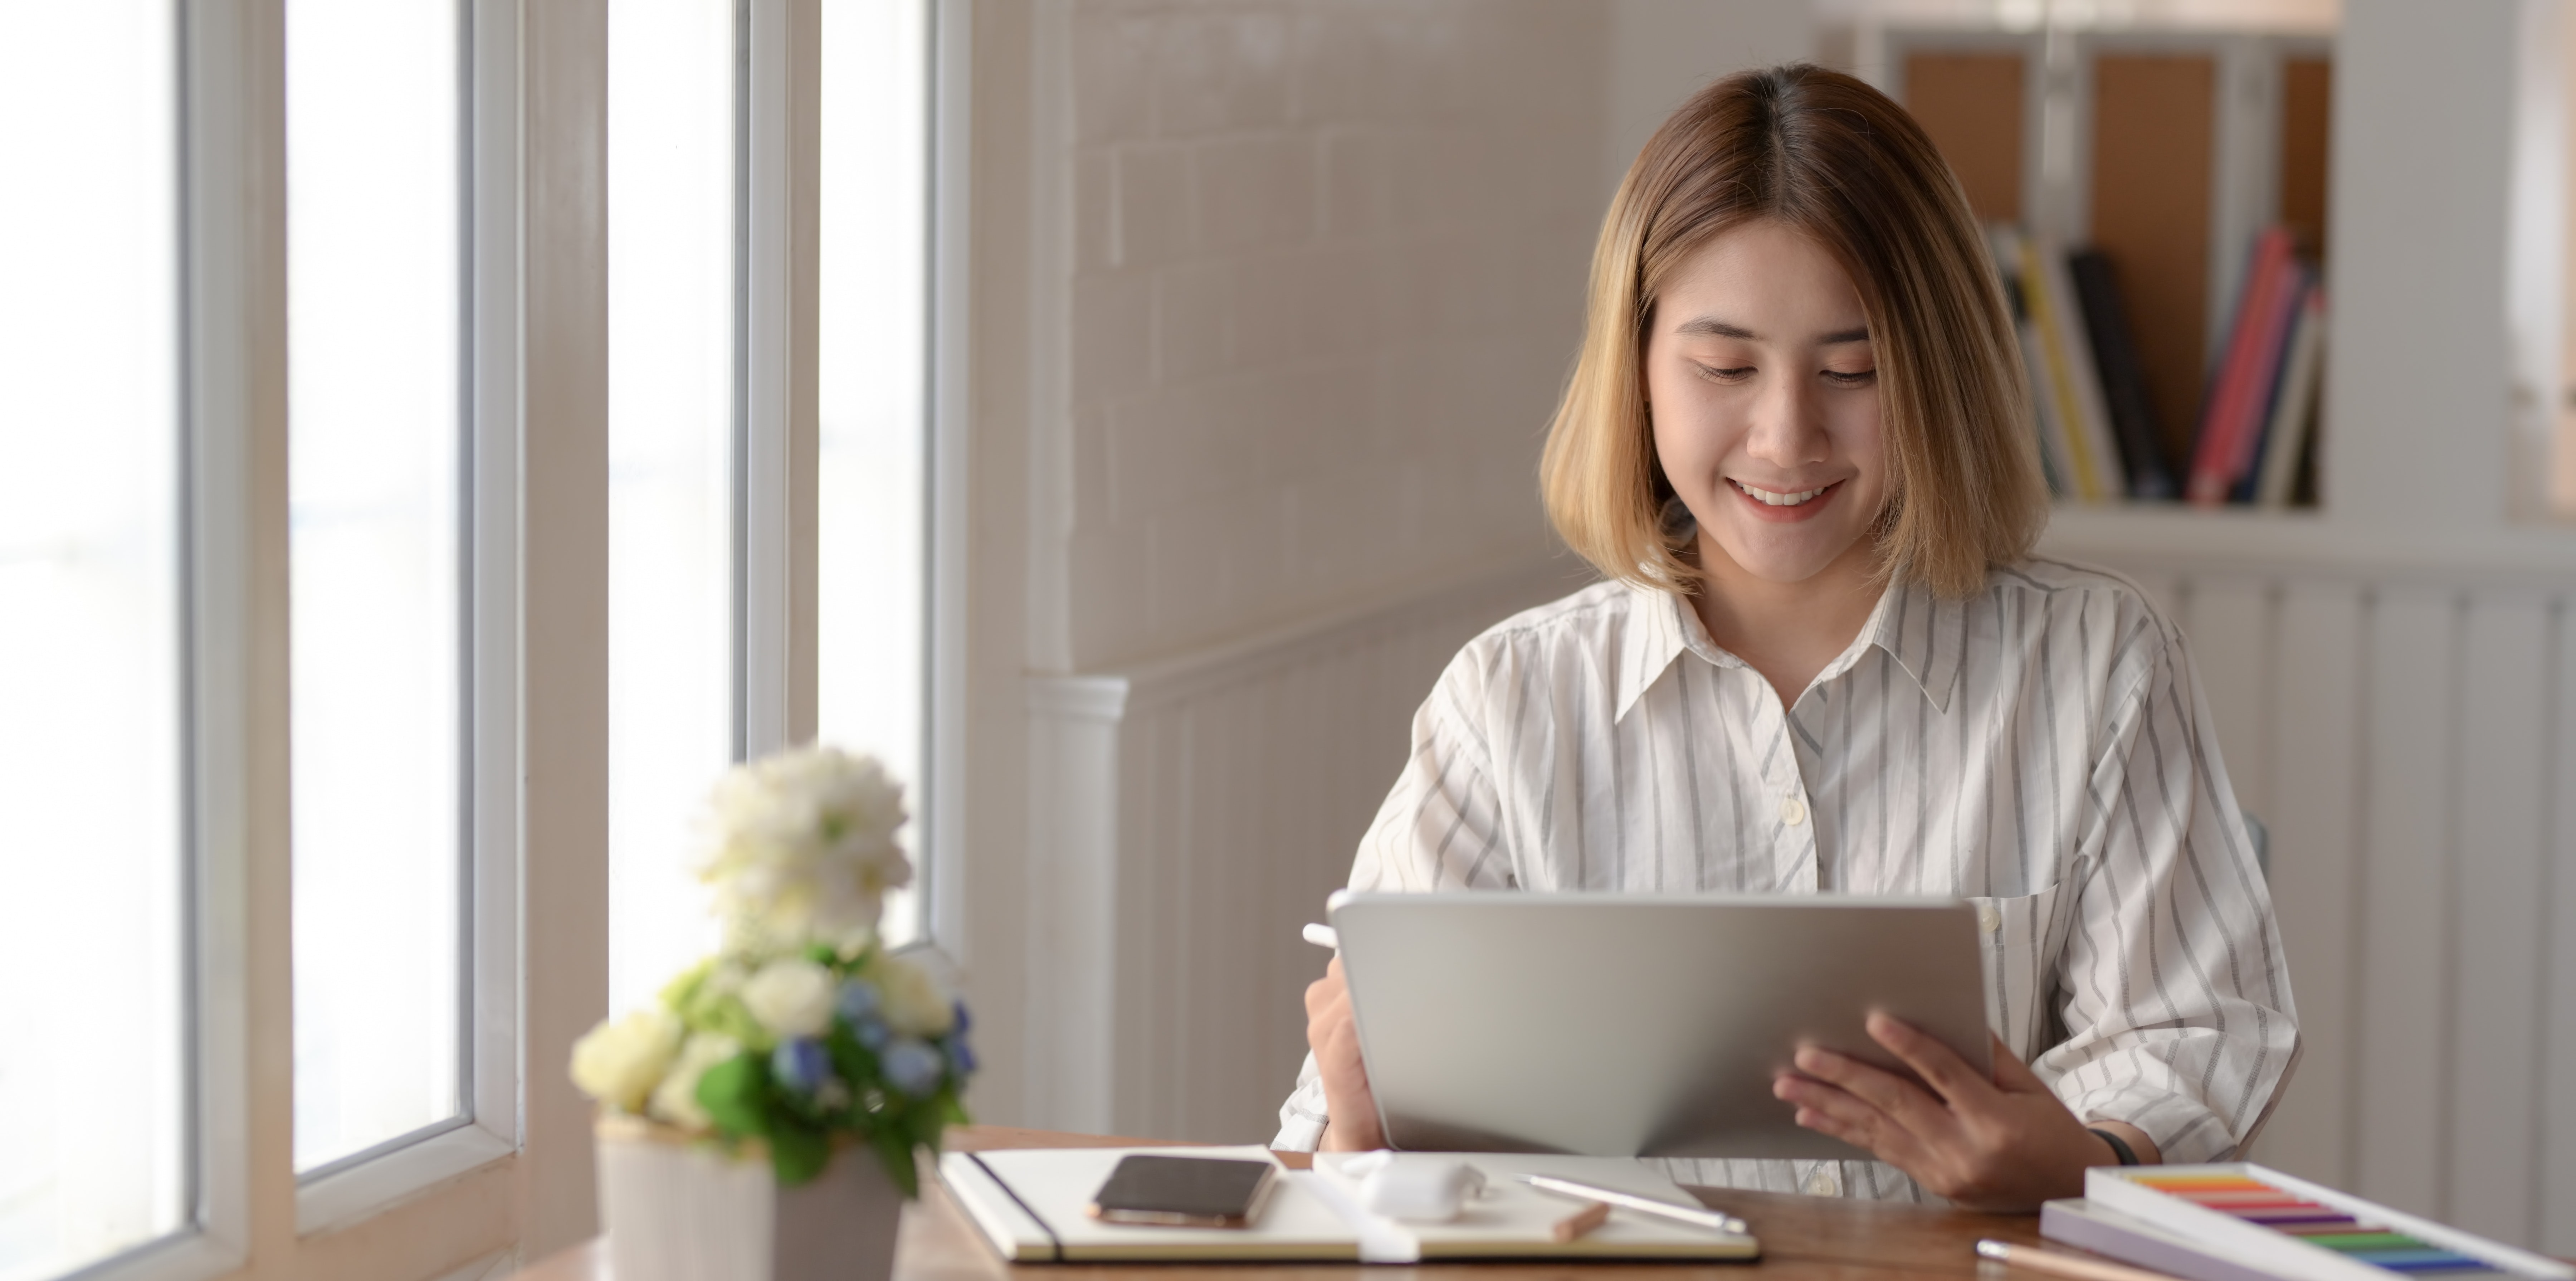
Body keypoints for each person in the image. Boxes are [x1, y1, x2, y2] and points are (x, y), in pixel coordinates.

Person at [1271, 64, 2297, 1212]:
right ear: (1640, 373)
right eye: (1724, 367)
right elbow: (1336, 1159)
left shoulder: (2103, 662)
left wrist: (2079, 1157)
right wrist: (1357, 1124)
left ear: (1940, 372)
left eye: (1853, 369)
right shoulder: (1510, 700)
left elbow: (2196, 1027)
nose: (1785, 434)